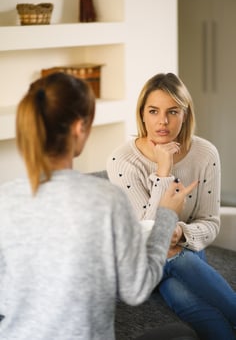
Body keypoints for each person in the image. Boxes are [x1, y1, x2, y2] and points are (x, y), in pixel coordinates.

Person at [0, 72, 198, 340]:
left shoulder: (5, 198)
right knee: (182, 335)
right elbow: (136, 288)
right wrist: (166, 215)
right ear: (79, 128)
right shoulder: (105, 199)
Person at [107, 72, 236, 340]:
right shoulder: (122, 161)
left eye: (172, 111)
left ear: (185, 114)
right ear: (142, 114)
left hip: (183, 249)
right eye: (153, 111)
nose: (162, 121)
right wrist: (163, 171)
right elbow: (148, 233)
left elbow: (210, 222)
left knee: (183, 295)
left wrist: (180, 233)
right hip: (140, 260)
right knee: (172, 254)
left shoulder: (205, 154)